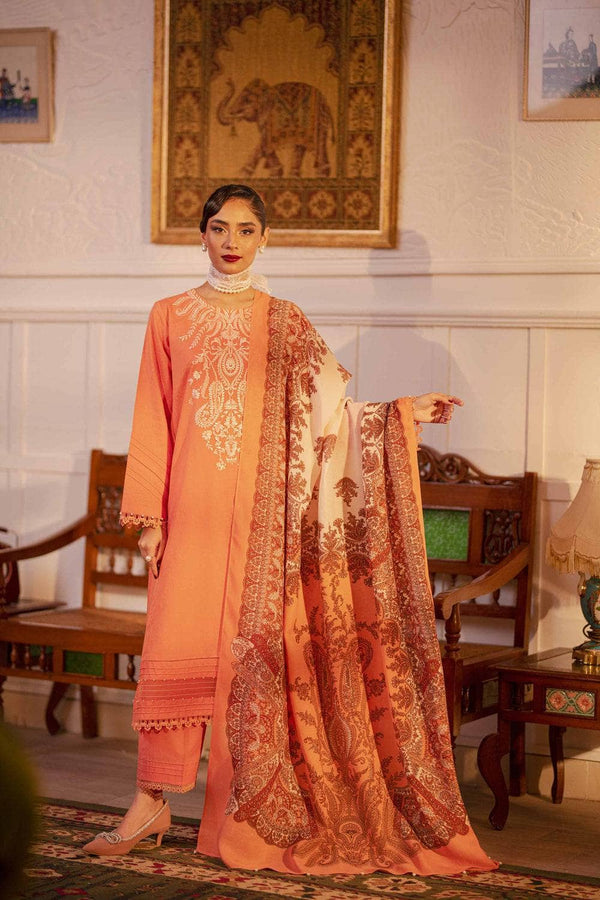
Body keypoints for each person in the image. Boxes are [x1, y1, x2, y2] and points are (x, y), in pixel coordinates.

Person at [83, 183, 496, 875]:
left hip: (263, 524)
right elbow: (152, 416)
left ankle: (238, 819)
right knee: (174, 655)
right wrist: (149, 518)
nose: (232, 241)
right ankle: (149, 801)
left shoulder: (286, 322)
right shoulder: (169, 315)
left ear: (265, 238)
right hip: (190, 516)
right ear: (202, 235)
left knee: (247, 667)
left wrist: (400, 413)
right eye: (219, 227)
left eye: (246, 229)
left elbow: (328, 415)